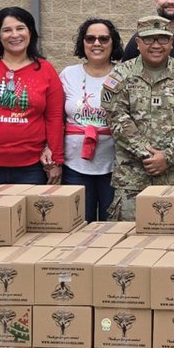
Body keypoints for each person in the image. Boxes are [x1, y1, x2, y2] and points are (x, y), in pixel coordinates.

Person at [103, 15, 174, 220]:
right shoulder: (121, 75)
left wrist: (167, 157)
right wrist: (147, 155)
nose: (156, 45)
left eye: (163, 39)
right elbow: (116, 116)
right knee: (128, 239)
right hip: (132, 176)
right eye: (149, 39)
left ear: (172, 43)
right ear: (138, 43)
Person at [0, 7, 65, 186]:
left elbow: (54, 118)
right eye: (7, 30)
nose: (14, 35)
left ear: (30, 32)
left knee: (31, 215)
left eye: (20, 28)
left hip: (32, 168)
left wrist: (56, 159)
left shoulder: (46, 70)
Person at [61, 18, 122, 222]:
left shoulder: (123, 75)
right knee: (78, 223)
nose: (97, 43)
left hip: (113, 166)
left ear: (113, 43)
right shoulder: (68, 75)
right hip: (75, 165)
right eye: (90, 38)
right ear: (83, 42)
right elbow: (55, 117)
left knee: (111, 227)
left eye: (104, 39)